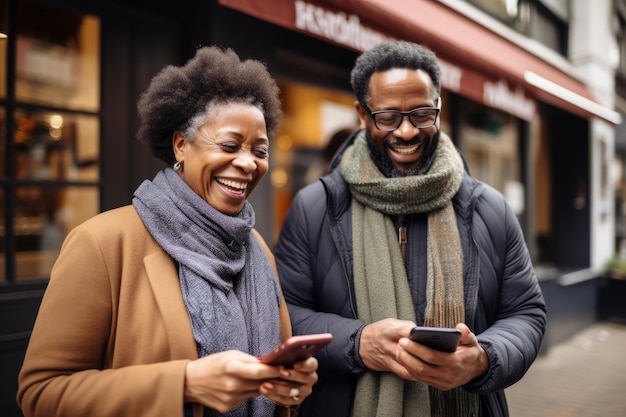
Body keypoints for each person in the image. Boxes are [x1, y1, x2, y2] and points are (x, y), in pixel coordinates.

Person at [17, 46, 318, 417]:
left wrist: (292, 386)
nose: (247, 163)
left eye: (260, 150)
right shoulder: (102, 243)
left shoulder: (255, 247)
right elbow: (41, 394)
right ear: (180, 144)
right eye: (229, 145)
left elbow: (275, 374)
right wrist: (185, 383)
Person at [273, 40, 546, 417]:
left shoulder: (489, 208)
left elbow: (525, 312)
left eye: (421, 114)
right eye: (387, 117)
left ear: (438, 107)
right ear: (362, 115)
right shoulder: (315, 207)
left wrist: (483, 359)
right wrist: (357, 343)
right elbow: (286, 313)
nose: (405, 132)